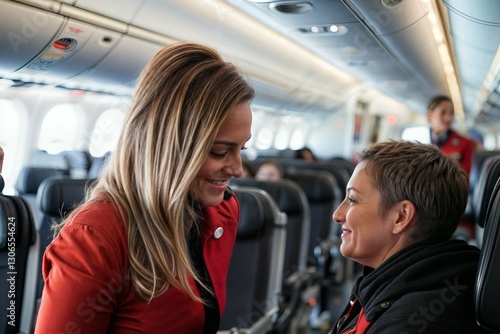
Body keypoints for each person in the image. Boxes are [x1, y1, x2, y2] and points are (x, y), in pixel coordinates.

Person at [35, 42, 254, 333]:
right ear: (168, 146)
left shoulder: (223, 212)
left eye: (242, 149)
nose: (238, 169)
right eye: (219, 152)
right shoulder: (94, 239)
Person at [330, 140, 488, 334]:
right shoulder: (391, 284)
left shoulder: (408, 323)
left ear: (401, 217)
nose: (337, 215)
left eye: (353, 200)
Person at [426, 95, 474, 175]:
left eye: (451, 113)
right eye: (443, 112)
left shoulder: (465, 143)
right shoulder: (417, 140)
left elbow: (466, 177)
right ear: (430, 115)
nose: (449, 118)